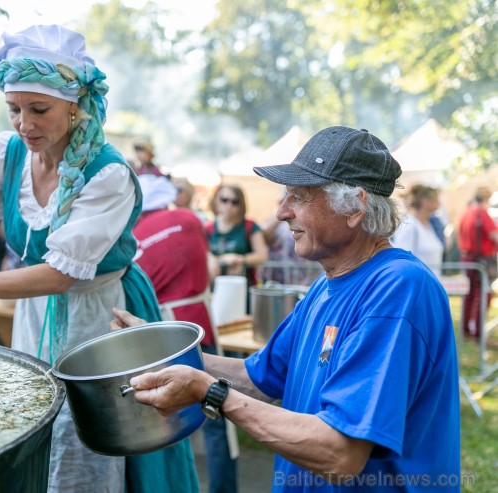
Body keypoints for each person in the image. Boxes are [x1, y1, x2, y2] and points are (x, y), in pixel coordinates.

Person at [0, 24, 198, 493]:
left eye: (39, 109)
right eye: (14, 109)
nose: (24, 123)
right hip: (34, 312)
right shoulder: (10, 152)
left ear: (74, 104)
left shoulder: (108, 173)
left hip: (101, 316)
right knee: (39, 424)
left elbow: (61, 275)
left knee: (89, 443)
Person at [112, 127, 460, 492]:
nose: (281, 212)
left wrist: (209, 392)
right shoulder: (326, 285)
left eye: (299, 196)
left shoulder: (398, 288)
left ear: (355, 207)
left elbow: (340, 454)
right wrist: (161, 348)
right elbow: (259, 378)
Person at [133, 174, 237, 493]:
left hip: (161, 332)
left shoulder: (133, 235)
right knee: (217, 406)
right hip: (200, 322)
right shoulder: (189, 219)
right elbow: (209, 268)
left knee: (166, 417)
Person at [206, 184, 269, 287]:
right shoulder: (208, 228)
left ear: (241, 205)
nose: (229, 205)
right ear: (216, 200)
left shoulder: (250, 226)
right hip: (215, 288)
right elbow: (202, 252)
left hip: (243, 287)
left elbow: (262, 256)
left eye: (235, 202)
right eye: (224, 200)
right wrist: (211, 258)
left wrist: (240, 259)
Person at [457, 186, 498, 339]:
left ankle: (466, 329)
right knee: (484, 295)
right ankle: (478, 332)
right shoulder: (481, 213)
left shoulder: (466, 212)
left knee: (469, 295)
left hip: (467, 257)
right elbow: (494, 235)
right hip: (481, 260)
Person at [390, 184, 444, 273]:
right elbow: (402, 263)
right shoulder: (409, 226)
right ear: (425, 201)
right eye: (435, 199)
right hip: (419, 283)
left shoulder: (429, 225)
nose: (439, 203)